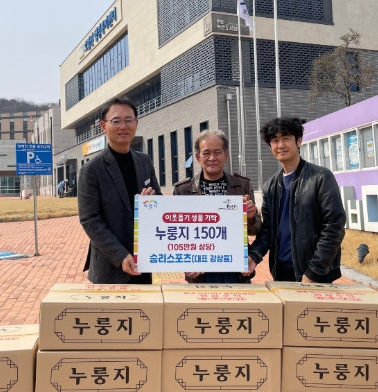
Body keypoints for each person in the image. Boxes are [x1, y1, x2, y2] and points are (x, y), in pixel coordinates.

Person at [247, 117, 345, 283]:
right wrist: (254, 255)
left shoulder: (320, 177)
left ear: (299, 141)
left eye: (286, 138)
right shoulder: (270, 186)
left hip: (315, 274)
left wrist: (314, 271)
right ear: (270, 146)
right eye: (275, 140)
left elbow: (334, 226)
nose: (280, 145)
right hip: (281, 271)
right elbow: (268, 230)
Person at [78, 96, 162, 284]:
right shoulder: (91, 170)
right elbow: (90, 220)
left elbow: (159, 201)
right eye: (116, 121)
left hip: (143, 263)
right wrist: (120, 255)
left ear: (136, 124)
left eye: (128, 120)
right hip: (110, 268)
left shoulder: (144, 161)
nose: (123, 126)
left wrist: (152, 202)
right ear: (103, 126)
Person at [174, 129, 261, 283]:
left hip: (235, 271)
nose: (212, 158)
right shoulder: (183, 191)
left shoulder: (242, 186)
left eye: (217, 152)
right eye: (206, 153)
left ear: (226, 155)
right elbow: (175, 236)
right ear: (198, 157)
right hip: (200, 273)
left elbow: (255, 230)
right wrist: (185, 262)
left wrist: (251, 217)